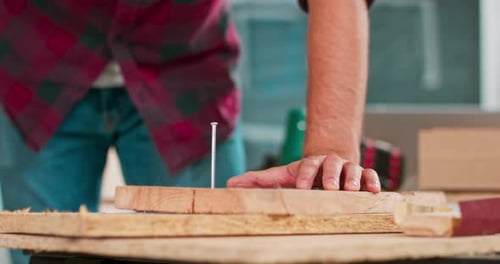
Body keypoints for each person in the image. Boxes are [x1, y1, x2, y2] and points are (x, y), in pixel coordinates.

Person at [0, 0, 378, 263]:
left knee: (210, 252)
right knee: (40, 250)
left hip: (187, 80)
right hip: (37, 73)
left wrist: (330, 148)